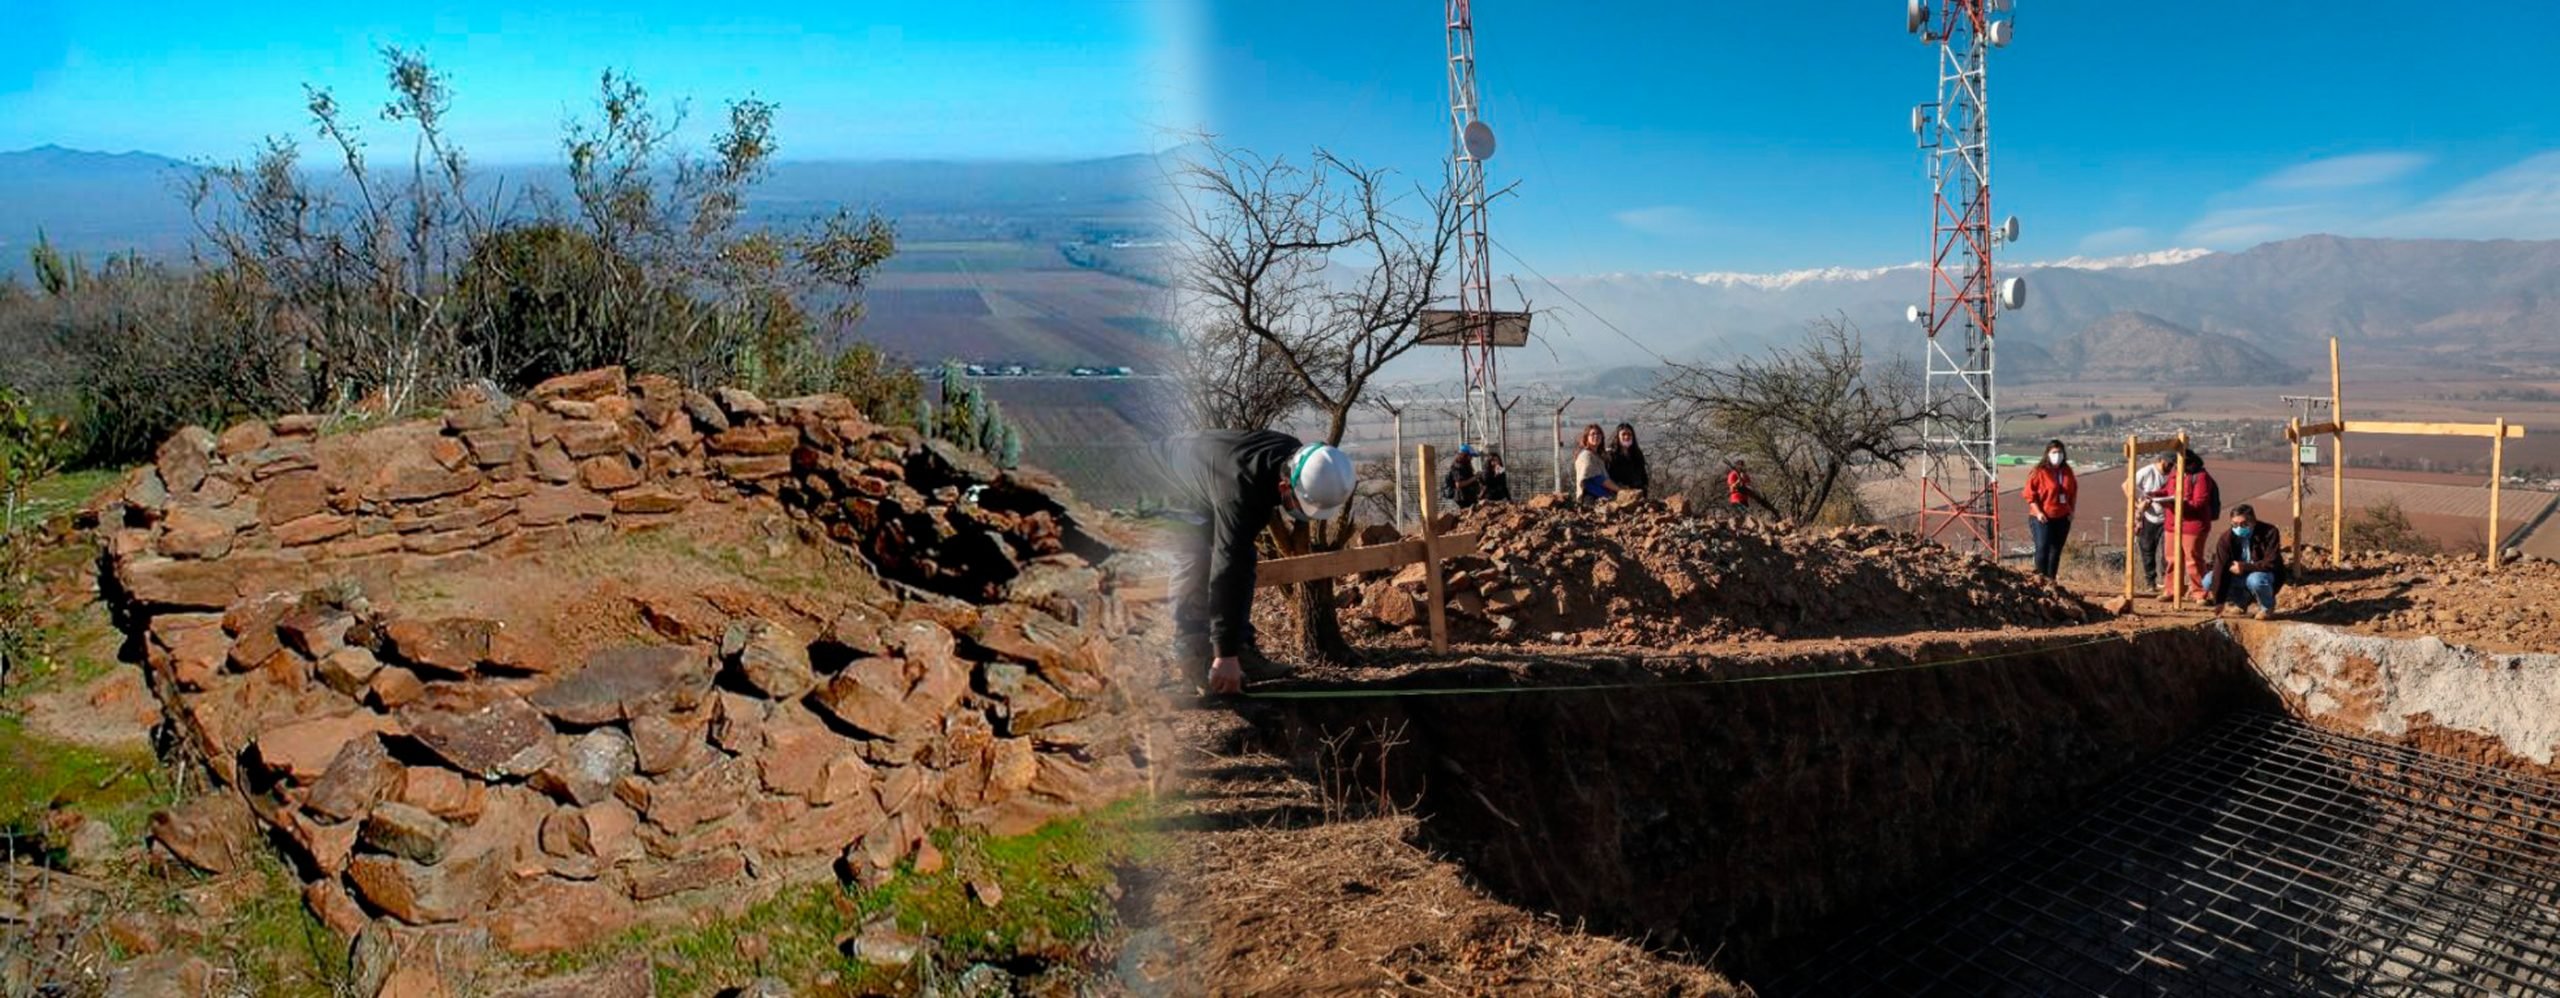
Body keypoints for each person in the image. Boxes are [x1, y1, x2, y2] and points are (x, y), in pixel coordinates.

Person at [1158, 429, 1357, 694]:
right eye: (1298, 502)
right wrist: (1224, 653)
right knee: (1196, 560)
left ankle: (1241, 651)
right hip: (1167, 483)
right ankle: (1195, 660)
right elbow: (1226, 568)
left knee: (1243, 556)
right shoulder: (1239, 490)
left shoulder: (1290, 454)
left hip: (1207, 481)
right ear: (1285, 486)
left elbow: (1237, 561)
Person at [2201, 504, 2286, 619]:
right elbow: (2220, 567)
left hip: (2263, 574)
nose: (2239, 528)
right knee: (2208, 580)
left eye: (2244, 524)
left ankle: (2267, 607)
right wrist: (2219, 600)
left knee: (2256, 580)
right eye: (2235, 524)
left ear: (2253, 522)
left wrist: (2245, 567)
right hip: (2238, 575)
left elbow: (2271, 562)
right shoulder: (2226, 539)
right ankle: (2240, 601)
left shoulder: (2269, 532)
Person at [2021, 439, 2079, 580]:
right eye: (2054, 452)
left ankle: (2051, 580)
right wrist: (2038, 512)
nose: (2057, 455)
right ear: (2047, 454)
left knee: (2055, 551)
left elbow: (2073, 492)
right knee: (2043, 548)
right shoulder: (2039, 472)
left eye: (2060, 452)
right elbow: (2029, 495)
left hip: (2062, 517)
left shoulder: (2067, 471)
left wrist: (2071, 511)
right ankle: (2040, 579)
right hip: (2042, 517)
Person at [2172, 450, 2222, 602]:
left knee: (2193, 559)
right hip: (2180, 523)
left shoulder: (2200, 477)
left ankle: (2201, 592)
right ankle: (2180, 590)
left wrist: (2180, 505)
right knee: (2178, 559)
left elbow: (2200, 501)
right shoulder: (2181, 475)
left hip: (2195, 524)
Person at [2132, 452, 2173, 594]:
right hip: (2149, 517)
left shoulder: (2173, 474)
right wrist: (2139, 505)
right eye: (2167, 463)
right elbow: (2128, 487)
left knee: (2167, 553)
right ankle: (2151, 583)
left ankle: (2167, 583)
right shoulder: (2146, 472)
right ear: (2160, 460)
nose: (2169, 467)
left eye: (2172, 464)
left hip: (2167, 517)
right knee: (2147, 549)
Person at [1573, 424, 1617, 503]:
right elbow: (1596, 479)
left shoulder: (1598, 456)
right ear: (1587, 437)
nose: (1596, 436)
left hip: (1602, 496)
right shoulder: (1586, 456)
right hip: (1591, 498)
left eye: (1598, 434)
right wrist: (1619, 490)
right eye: (1593, 434)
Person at [1607, 423, 1650, 495]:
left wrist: (1644, 488)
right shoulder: (1610, 455)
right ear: (1617, 436)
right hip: (1619, 494)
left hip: (1638, 493)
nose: (1626, 437)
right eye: (1623, 434)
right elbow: (1608, 477)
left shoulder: (1637, 454)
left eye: (1629, 434)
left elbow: (1643, 474)